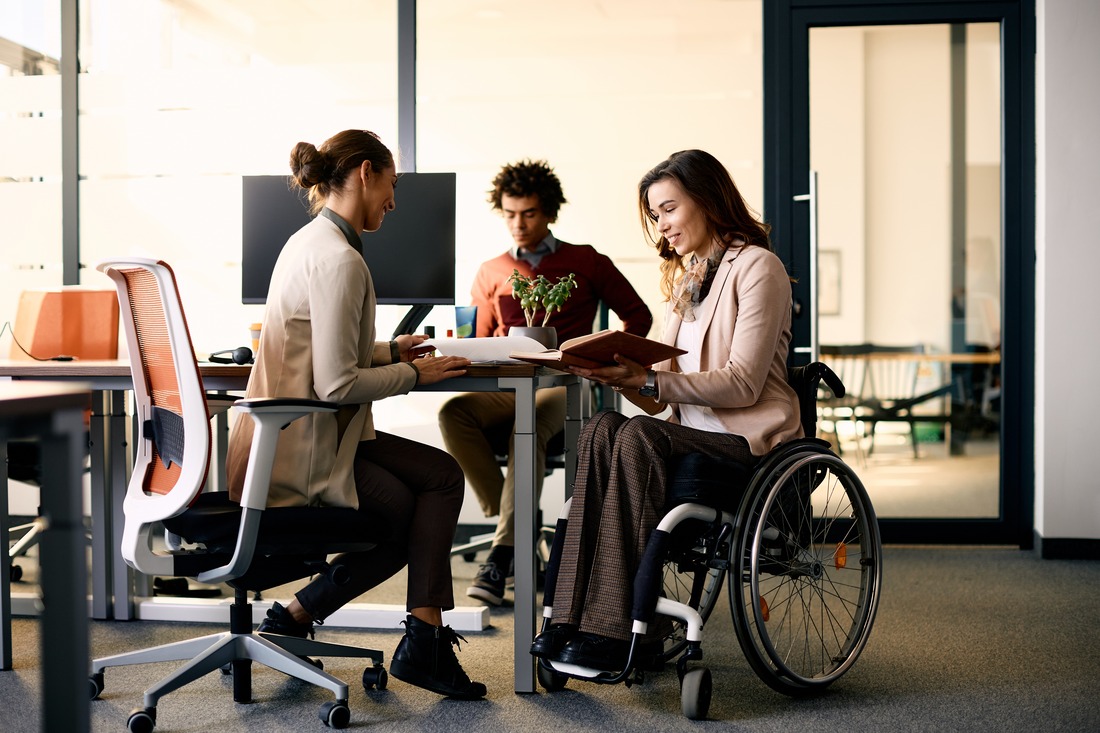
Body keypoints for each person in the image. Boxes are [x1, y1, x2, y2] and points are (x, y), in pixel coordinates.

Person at [225, 129, 486, 700]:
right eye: (391, 185)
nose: (394, 202)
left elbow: (325, 354)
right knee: (417, 508)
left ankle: (304, 619)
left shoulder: (308, 242)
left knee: (436, 482)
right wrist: (417, 376)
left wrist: (393, 352)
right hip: (306, 447)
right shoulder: (340, 260)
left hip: (295, 433)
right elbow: (338, 381)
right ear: (366, 173)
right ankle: (424, 641)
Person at [529, 149, 803, 671]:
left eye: (669, 210)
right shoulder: (688, 278)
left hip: (746, 442)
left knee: (635, 438)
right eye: (655, 216)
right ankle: (569, 616)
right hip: (687, 432)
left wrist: (649, 377)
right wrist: (615, 374)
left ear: (707, 199)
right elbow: (662, 391)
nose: (661, 228)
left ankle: (614, 630)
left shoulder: (758, 268)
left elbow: (743, 384)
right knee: (604, 427)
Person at [438, 159, 652, 606]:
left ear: (549, 212)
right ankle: (518, 528)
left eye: (529, 213)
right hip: (507, 387)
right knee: (453, 412)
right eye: (510, 214)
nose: (518, 224)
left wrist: (600, 357)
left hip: (566, 385)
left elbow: (639, 317)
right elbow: (481, 335)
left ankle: (502, 554)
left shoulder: (586, 261)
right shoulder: (491, 270)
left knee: (530, 420)